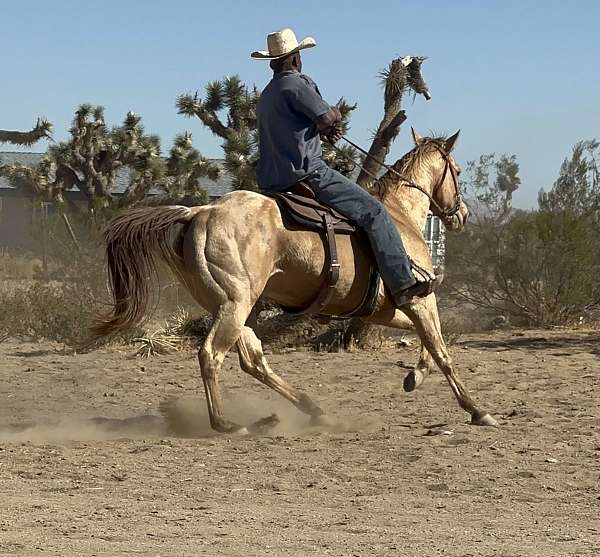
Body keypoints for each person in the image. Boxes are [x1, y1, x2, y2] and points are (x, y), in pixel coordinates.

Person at [251, 28, 434, 307]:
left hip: (271, 182)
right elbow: (326, 117)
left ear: (272, 62)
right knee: (374, 212)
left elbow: (297, 128)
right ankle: (403, 284)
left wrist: (319, 129)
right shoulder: (296, 84)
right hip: (308, 174)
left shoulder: (268, 94)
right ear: (295, 58)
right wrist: (333, 116)